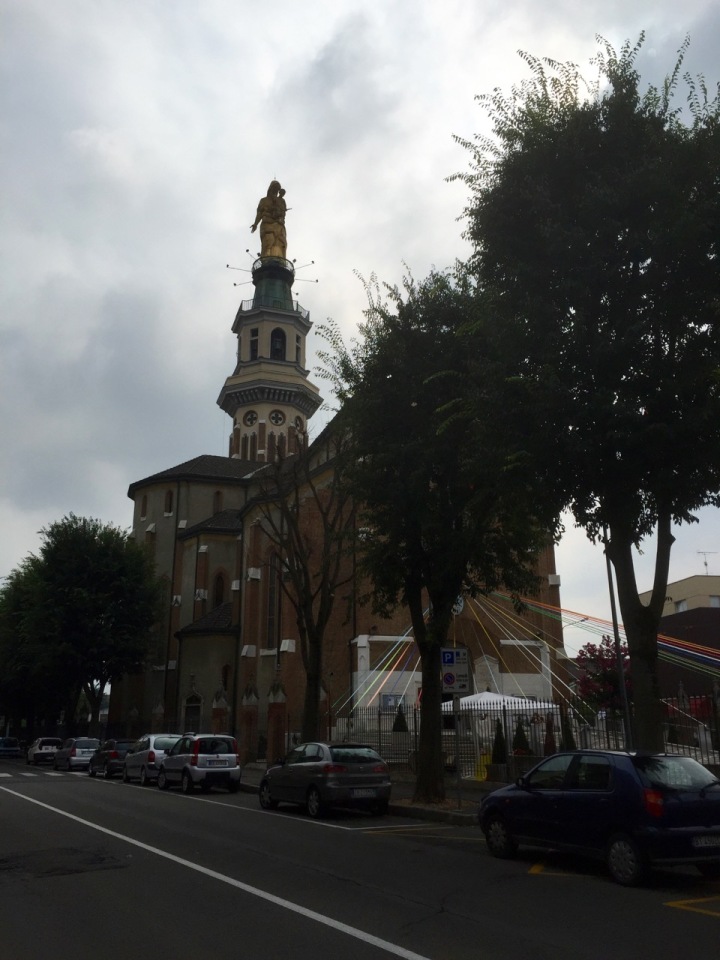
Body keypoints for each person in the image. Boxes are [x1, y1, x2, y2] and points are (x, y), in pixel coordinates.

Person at [250, 180, 287, 258]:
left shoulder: (281, 201)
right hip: (267, 223)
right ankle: (266, 259)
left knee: (281, 244)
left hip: (279, 225)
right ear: (270, 188)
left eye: (277, 189)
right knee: (268, 241)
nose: (275, 191)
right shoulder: (264, 200)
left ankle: (279, 259)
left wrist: (278, 211)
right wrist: (255, 224)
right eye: (274, 188)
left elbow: (283, 213)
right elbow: (259, 213)